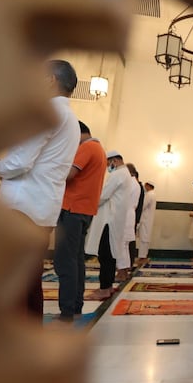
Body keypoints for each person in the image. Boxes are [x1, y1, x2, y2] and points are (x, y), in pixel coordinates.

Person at [0, 59, 80, 320]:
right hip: (42, 207)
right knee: (28, 280)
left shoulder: (46, 113)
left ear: (50, 80)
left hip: (22, 205)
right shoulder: (70, 118)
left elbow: (21, 161)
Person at [54, 121, 107, 321]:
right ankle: (75, 307)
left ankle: (67, 311)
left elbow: (69, 175)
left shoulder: (87, 147)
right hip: (83, 211)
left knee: (65, 261)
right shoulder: (99, 149)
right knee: (75, 261)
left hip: (73, 209)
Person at [85, 150, 130, 300]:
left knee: (105, 255)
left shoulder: (117, 174)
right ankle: (108, 287)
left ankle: (104, 289)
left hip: (109, 220)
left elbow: (103, 195)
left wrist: (87, 203)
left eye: (108, 164)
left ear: (114, 161)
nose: (107, 167)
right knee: (109, 254)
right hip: (114, 219)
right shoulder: (126, 174)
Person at [120, 163, 142, 275]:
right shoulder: (135, 183)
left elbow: (121, 198)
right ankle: (124, 269)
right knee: (125, 244)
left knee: (122, 244)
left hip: (126, 214)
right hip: (129, 214)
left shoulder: (130, 183)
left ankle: (122, 271)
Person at [138, 181, 157, 261]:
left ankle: (142, 256)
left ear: (148, 186)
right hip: (147, 220)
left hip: (145, 220)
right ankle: (143, 255)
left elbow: (142, 206)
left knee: (144, 238)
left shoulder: (149, 194)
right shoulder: (153, 194)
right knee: (145, 237)